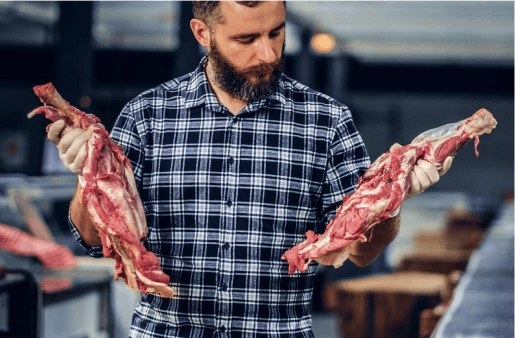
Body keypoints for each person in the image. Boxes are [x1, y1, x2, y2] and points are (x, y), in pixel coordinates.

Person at [47, 1, 452, 337]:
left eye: (276, 33)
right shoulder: (147, 116)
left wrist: (393, 200)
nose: (268, 54)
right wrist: (88, 174)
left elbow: (361, 252)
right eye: (246, 38)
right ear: (203, 34)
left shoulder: (326, 121)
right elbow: (95, 239)